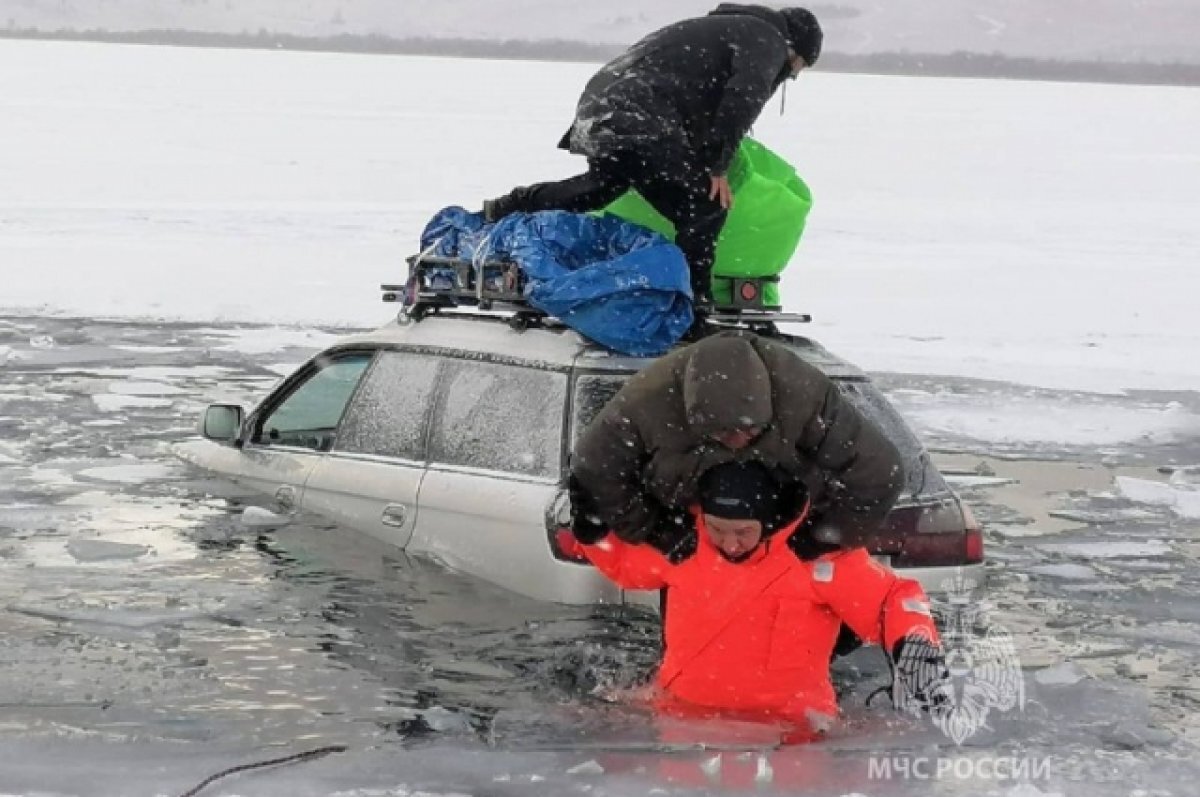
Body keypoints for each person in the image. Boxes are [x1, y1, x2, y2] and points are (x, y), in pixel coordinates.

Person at [563, 459, 945, 741]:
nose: (730, 543)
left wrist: (915, 643)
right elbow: (624, 564)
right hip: (683, 728)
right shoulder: (685, 546)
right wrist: (591, 527)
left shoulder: (816, 557)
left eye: (743, 532)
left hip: (793, 736)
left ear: (771, 521)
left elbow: (893, 600)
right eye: (717, 529)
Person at [481, 5, 824, 310]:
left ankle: (509, 205)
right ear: (794, 47)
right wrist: (717, 166)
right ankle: (694, 305)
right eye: (796, 68)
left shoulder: (730, 29)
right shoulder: (767, 39)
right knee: (705, 206)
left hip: (605, 105)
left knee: (600, 189)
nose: (791, 75)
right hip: (640, 115)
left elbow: (693, 93)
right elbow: (741, 99)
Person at [568, 330, 904, 558]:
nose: (737, 443)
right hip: (688, 530)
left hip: (788, 530)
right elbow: (597, 466)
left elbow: (878, 471)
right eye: (722, 435)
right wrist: (658, 532)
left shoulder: (804, 396)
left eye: (749, 431)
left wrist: (820, 538)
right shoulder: (647, 401)